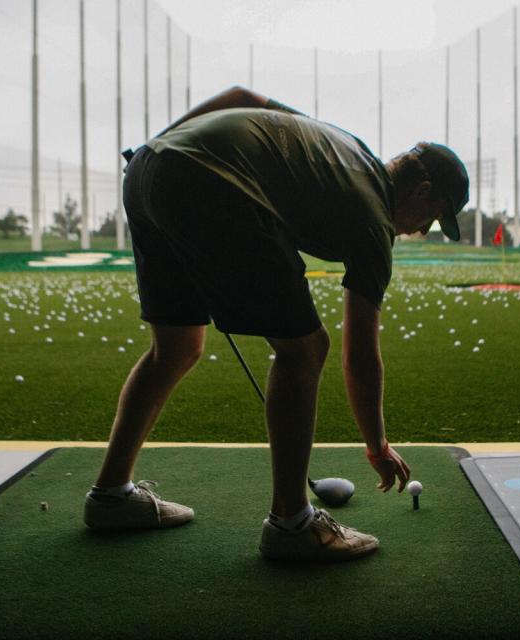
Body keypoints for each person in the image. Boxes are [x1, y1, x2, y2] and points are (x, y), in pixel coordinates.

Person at [82, 85, 470, 561]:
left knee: (177, 346)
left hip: (148, 169)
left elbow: (242, 95)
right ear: (422, 191)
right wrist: (376, 443)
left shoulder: (343, 146)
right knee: (305, 350)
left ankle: (110, 497)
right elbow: (360, 352)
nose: (422, 231)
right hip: (209, 181)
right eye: (433, 217)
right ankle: (292, 524)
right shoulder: (373, 219)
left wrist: (155, 147)